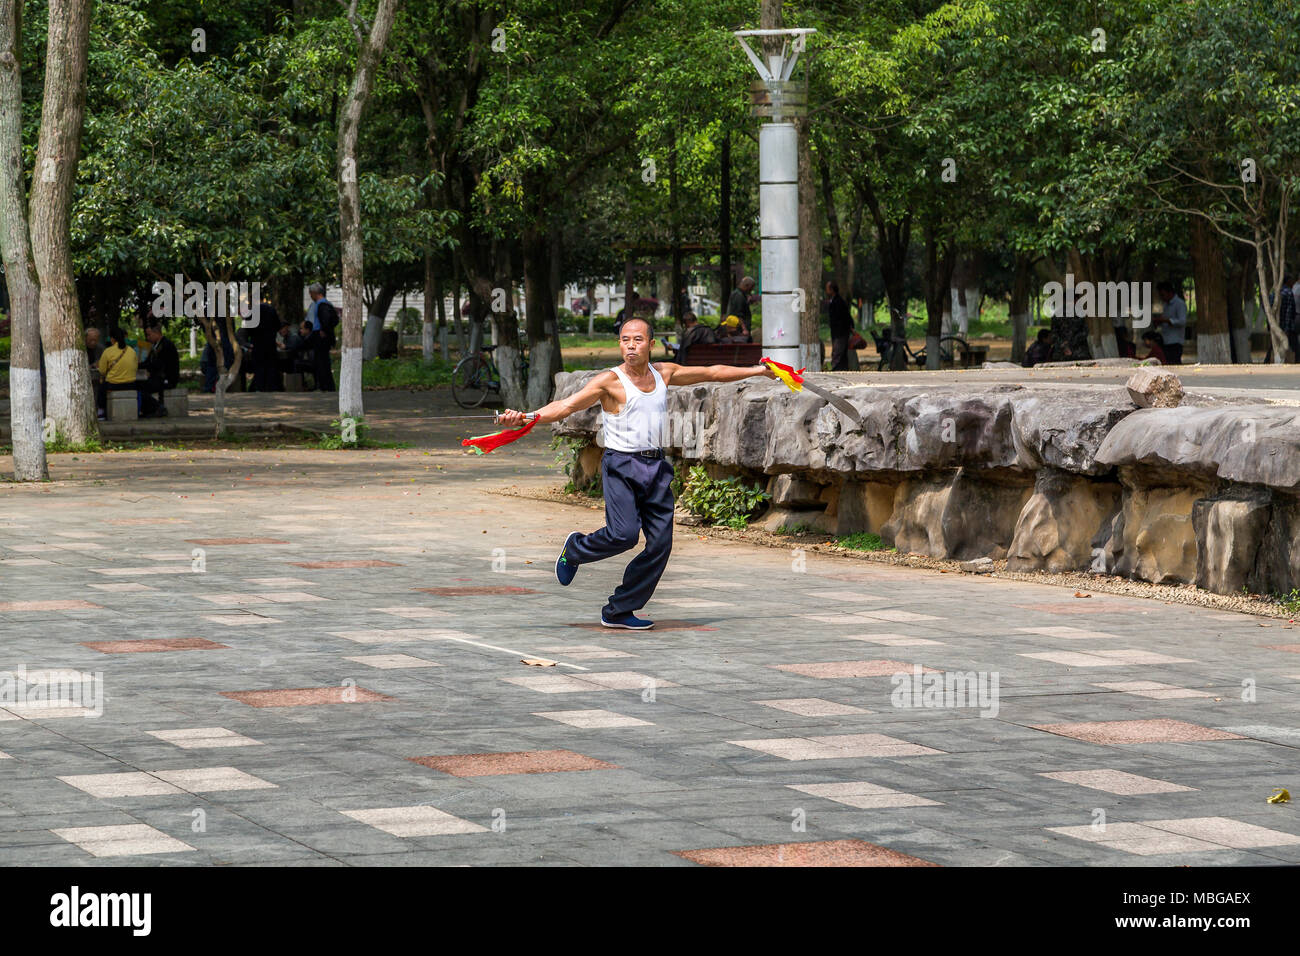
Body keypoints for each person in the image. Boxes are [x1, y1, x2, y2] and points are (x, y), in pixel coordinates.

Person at [498, 317, 776, 629]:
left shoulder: (664, 372)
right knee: (624, 535)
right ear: (620, 344)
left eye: (638, 340)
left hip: (656, 468)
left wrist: (759, 371)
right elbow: (566, 406)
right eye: (625, 340)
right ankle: (575, 549)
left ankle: (619, 610)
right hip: (621, 466)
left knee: (660, 545)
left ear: (650, 344)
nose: (631, 345)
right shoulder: (609, 382)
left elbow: (712, 372)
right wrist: (527, 417)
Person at [96, 326, 139, 420]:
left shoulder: (108, 351)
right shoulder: (132, 351)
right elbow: (135, 368)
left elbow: (102, 371)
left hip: (113, 385)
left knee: (101, 388)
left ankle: (101, 412)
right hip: (131, 385)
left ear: (112, 339)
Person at [139, 324, 180, 417]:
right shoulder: (156, 345)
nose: (148, 338)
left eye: (149, 335)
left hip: (167, 379)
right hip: (158, 377)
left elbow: (157, 364)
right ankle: (150, 409)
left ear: (157, 333)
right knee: (138, 385)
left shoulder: (166, 345)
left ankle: (158, 407)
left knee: (140, 388)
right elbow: (148, 362)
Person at [305, 283, 337, 391]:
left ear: (315, 293)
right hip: (320, 336)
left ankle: (325, 386)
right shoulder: (324, 304)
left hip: (321, 338)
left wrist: (324, 330)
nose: (310, 296)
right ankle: (325, 385)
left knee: (322, 363)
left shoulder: (322, 305)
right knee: (322, 362)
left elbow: (327, 320)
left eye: (311, 294)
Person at [249, 295, 282, 391]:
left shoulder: (252, 312)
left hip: (258, 343)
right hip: (270, 342)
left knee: (259, 366)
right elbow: (278, 325)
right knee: (271, 365)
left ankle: (260, 387)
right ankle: (271, 387)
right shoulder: (271, 310)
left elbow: (249, 328)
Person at [1152, 282, 1186, 365]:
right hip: (1166, 340)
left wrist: (1166, 321)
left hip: (1176, 341)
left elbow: (1182, 321)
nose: (1162, 297)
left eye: (1163, 294)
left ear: (1170, 293)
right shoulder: (1166, 305)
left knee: (1174, 363)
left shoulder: (1179, 304)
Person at [826, 281, 853, 371]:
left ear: (832, 290)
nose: (826, 291)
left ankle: (835, 369)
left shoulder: (838, 302)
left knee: (837, 352)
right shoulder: (835, 301)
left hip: (840, 332)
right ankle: (843, 369)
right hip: (838, 332)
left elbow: (843, 317)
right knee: (841, 352)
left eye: (827, 289)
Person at [726, 276, 755, 342]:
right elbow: (738, 314)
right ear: (747, 285)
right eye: (751, 288)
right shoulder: (738, 295)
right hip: (739, 332)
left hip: (739, 331)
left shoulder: (740, 294)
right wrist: (744, 329)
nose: (751, 290)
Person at [1279, 274, 1298, 362]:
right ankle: (1298, 361)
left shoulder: (1277, 291)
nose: (1293, 283)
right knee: (1295, 345)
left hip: (1278, 324)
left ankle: (1267, 361)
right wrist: (1287, 327)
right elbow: (1289, 312)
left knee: (1274, 344)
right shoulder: (1289, 293)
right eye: (1291, 281)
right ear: (1287, 281)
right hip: (1288, 325)